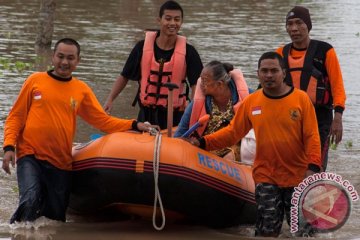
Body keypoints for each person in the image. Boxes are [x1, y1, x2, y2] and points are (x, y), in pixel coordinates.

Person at [2, 38, 158, 224]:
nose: (64, 62)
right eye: (60, 56)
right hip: (30, 155)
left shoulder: (81, 90)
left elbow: (103, 121)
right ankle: (16, 234)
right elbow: (16, 117)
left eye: (70, 58)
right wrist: (9, 147)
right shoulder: (35, 81)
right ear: (53, 57)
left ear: (78, 61)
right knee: (30, 198)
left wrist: (135, 125)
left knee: (55, 217)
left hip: (60, 162)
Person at [188, 52, 322, 237]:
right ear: (258, 74)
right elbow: (232, 133)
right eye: (264, 71)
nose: (269, 75)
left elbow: (312, 136)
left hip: (297, 176)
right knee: (266, 232)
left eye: (274, 70)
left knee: (303, 233)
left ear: (283, 73)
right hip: (266, 177)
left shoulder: (301, 99)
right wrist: (203, 142)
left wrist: (313, 167)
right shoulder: (252, 102)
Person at [103, 0, 203, 130]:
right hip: (145, 115)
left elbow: (197, 85)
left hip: (175, 117)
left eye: (177, 19)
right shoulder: (141, 47)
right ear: (159, 20)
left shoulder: (189, 52)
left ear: (181, 22)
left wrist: (194, 112)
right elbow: (124, 76)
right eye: (168, 19)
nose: (173, 23)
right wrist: (110, 99)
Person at [276, 6, 346, 170]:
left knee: (316, 165)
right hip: (289, 118)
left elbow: (337, 86)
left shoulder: (325, 51)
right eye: (290, 24)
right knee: (290, 165)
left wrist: (338, 118)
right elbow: (266, 87)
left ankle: (316, 189)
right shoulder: (281, 53)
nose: (294, 28)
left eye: (299, 23)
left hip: (320, 117)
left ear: (308, 25)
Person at [174, 60, 250, 161]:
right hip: (205, 146)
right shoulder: (198, 102)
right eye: (201, 79)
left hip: (236, 147)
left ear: (219, 84)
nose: (201, 83)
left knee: (229, 157)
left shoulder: (247, 97)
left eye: (205, 80)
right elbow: (180, 132)